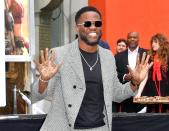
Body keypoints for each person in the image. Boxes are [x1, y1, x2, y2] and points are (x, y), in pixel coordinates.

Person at [32, 6, 152, 131]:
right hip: (64, 127)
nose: (93, 27)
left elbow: (116, 93)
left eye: (97, 23)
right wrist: (44, 79)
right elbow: (38, 94)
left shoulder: (108, 56)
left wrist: (134, 82)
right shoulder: (60, 54)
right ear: (77, 28)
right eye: (87, 23)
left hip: (99, 127)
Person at [115, 32, 147, 112]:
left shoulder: (146, 54)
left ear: (138, 39)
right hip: (125, 100)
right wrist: (125, 76)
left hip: (144, 98)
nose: (132, 39)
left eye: (134, 37)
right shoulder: (118, 56)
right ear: (127, 40)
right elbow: (114, 74)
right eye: (130, 37)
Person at [138, 33, 169, 113]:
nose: (152, 44)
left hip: (166, 89)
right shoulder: (150, 57)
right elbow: (145, 76)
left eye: (155, 42)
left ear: (161, 43)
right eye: (152, 42)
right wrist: (139, 93)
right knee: (153, 116)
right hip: (152, 90)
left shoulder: (167, 57)